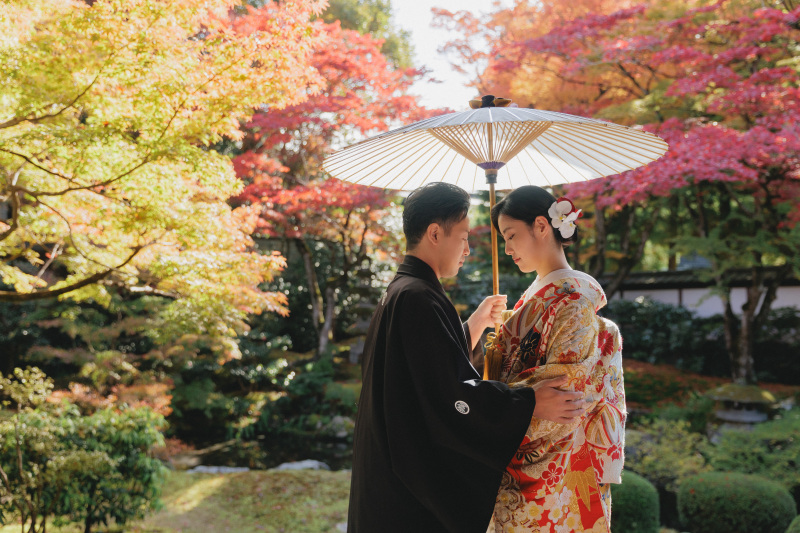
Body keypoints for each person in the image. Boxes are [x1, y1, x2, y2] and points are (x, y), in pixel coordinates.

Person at [348, 183, 588, 533]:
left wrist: (472, 326)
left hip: (387, 476)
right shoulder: (418, 297)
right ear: (434, 233)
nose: (467, 249)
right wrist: (528, 402)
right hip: (406, 493)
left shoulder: (404, 290)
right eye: (462, 237)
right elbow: (449, 396)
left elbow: (425, 369)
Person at [485, 186, 627, 532]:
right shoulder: (538, 296)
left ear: (541, 226)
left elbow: (563, 393)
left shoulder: (574, 300)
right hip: (525, 459)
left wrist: (490, 409)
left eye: (512, 235)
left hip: (553, 467)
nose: (507, 249)